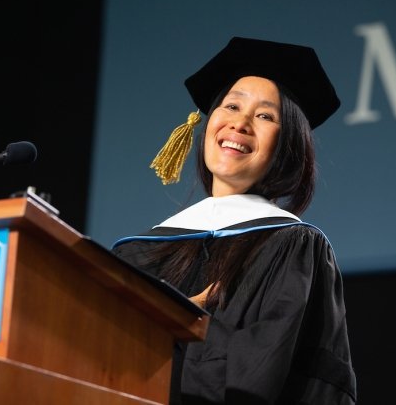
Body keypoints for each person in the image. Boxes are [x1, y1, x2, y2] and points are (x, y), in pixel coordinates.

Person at [111, 36, 357, 404]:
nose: (239, 124)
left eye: (264, 116)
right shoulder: (143, 252)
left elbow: (263, 373)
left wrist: (178, 325)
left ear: (287, 144)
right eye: (230, 106)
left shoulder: (292, 247)